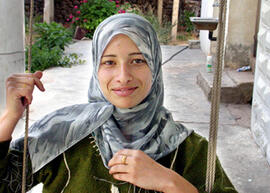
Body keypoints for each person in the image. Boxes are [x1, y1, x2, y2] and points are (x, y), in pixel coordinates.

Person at [0, 13, 237, 193]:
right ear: (96, 69)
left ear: (155, 66)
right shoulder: (63, 136)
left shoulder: (191, 151)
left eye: (137, 60)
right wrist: (9, 117)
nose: (123, 76)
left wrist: (171, 183)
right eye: (109, 62)